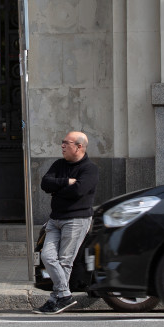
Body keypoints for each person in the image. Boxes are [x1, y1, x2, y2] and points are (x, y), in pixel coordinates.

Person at [35, 131, 98, 315]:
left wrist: (57, 190)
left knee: (65, 261)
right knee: (47, 257)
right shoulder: (59, 164)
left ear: (79, 147)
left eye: (66, 143)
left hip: (76, 220)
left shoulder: (89, 169)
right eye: (62, 142)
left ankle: (56, 299)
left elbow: (78, 192)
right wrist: (66, 182)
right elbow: (45, 184)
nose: (62, 146)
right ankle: (64, 295)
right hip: (55, 220)